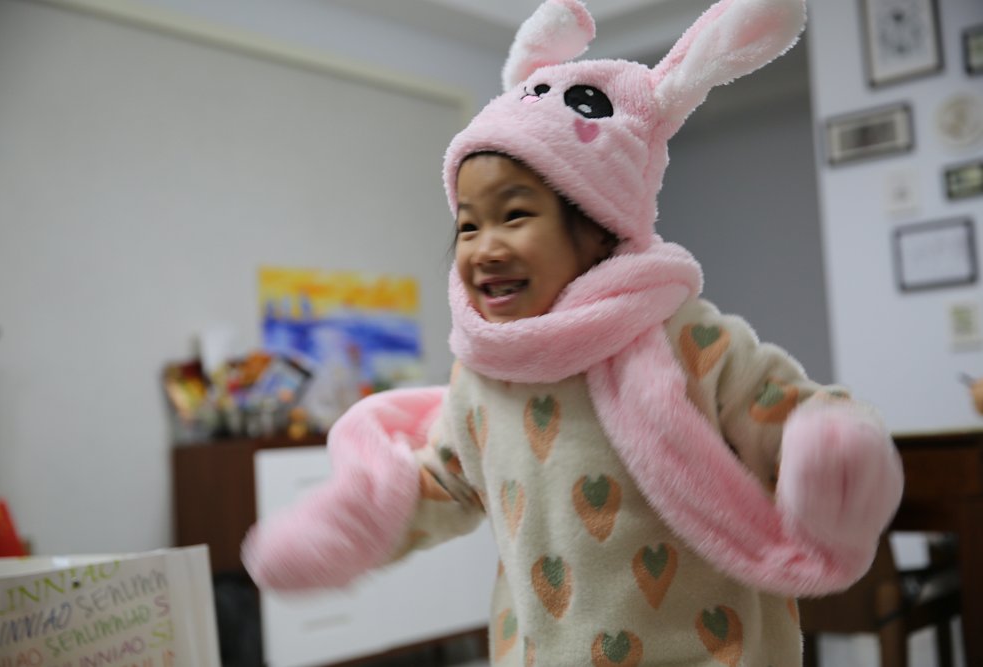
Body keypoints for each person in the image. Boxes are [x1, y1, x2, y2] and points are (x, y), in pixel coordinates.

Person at [242, 0, 904, 664]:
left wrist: (827, 450)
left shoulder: (683, 340)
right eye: (468, 225)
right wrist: (351, 526)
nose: (484, 247)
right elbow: (444, 480)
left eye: (515, 215)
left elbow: (778, 412)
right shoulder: (483, 375)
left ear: (598, 225)